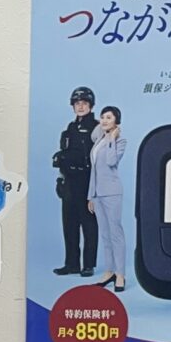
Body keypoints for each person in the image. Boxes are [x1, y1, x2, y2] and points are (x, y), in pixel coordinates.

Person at [51, 85, 99, 274]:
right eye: (77, 103)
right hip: (70, 181)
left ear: (91, 105)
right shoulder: (70, 128)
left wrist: (96, 189)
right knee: (69, 224)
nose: (80, 106)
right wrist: (60, 180)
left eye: (84, 103)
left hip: (87, 181)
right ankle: (72, 264)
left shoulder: (97, 128)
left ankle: (88, 265)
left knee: (88, 224)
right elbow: (65, 153)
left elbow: (101, 159)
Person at [89, 105, 130, 292]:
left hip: (112, 192)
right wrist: (90, 196)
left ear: (116, 121)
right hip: (97, 193)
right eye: (103, 117)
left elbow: (111, 161)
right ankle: (109, 271)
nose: (104, 120)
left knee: (115, 234)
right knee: (105, 235)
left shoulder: (120, 141)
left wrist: (112, 138)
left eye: (109, 117)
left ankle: (120, 274)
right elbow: (94, 171)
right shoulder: (98, 139)